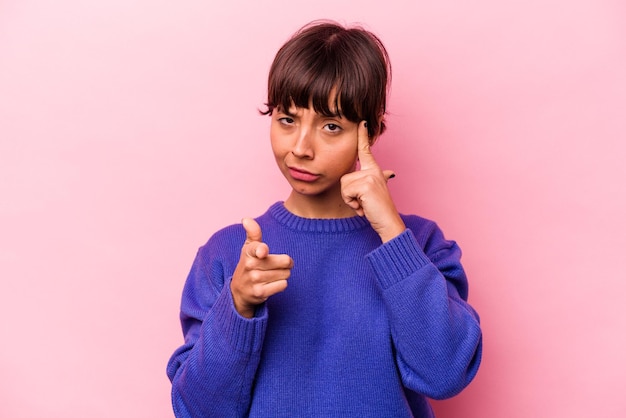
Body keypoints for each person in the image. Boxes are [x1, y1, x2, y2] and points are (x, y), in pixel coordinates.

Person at [166, 20, 482, 417]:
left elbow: (444, 374)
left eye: (331, 126)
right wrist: (239, 306)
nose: (300, 148)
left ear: (371, 132)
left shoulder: (418, 243)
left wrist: (392, 236)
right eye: (287, 119)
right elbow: (197, 410)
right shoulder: (231, 253)